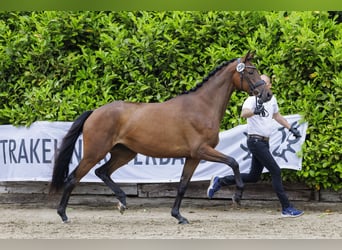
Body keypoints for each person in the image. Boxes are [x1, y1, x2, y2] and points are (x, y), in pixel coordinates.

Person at [207, 74, 304, 218]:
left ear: (269, 86)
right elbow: (243, 113)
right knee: (276, 171)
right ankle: (286, 207)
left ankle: (220, 181)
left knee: (253, 176)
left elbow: (277, 116)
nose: (262, 86)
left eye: (265, 84)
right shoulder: (252, 99)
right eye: (260, 84)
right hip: (255, 141)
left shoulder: (272, 100)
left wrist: (290, 128)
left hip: (264, 142)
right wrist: (254, 111)